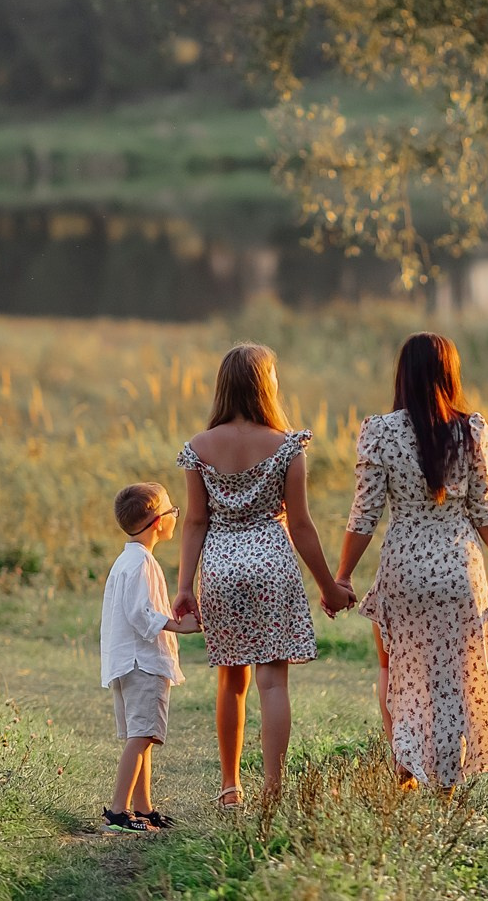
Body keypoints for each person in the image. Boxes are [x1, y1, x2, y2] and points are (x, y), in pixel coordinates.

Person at [334, 332, 488, 794]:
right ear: (449, 374)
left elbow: (365, 515)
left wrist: (341, 576)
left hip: (404, 569)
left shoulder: (380, 431)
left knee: (399, 669)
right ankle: (447, 782)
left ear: (403, 373)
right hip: (460, 570)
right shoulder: (470, 430)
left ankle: (406, 762)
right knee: (454, 678)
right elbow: (485, 510)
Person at [173, 343, 353, 809]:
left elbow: (194, 522)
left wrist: (184, 586)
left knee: (231, 682)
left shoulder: (199, 448)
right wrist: (329, 587)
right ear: (264, 385)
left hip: (220, 567)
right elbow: (301, 525)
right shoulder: (286, 444)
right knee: (272, 683)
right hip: (271, 565)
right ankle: (272, 789)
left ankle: (231, 787)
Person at [100, 481, 199, 833]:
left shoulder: (128, 560)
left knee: (143, 738)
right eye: (173, 511)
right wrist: (178, 625)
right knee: (141, 737)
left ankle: (143, 807)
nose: (176, 516)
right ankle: (118, 812)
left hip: (126, 663)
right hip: (142, 663)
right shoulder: (141, 563)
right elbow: (140, 613)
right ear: (159, 522)